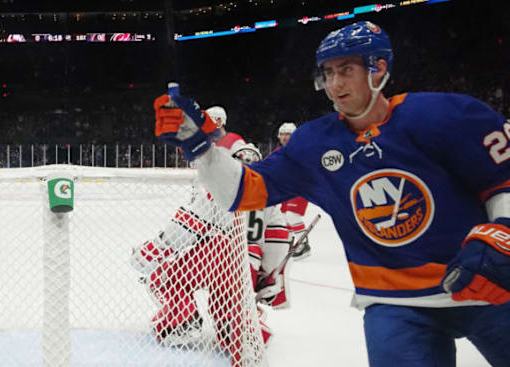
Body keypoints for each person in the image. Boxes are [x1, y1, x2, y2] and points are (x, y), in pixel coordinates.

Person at [154, 21, 510, 366]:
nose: (334, 83)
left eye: (345, 69)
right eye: (327, 73)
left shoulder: (444, 115)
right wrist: (199, 147)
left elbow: (502, 178)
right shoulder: (314, 143)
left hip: (487, 280)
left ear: (378, 68)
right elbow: (244, 191)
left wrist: (504, 231)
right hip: (394, 302)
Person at [130, 143, 291, 364]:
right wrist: (266, 275)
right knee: (229, 306)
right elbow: (278, 242)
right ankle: (243, 330)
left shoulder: (220, 189)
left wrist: (151, 251)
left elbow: (184, 228)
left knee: (162, 277)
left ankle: (181, 319)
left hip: (216, 254)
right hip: (247, 265)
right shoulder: (269, 197)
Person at [275, 122, 313, 260]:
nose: (285, 137)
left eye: (288, 134)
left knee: (292, 216)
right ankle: (289, 243)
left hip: (300, 188)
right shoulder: (279, 152)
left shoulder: (301, 150)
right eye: (282, 134)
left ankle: (303, 244)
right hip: (287, 190)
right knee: (284, 217)